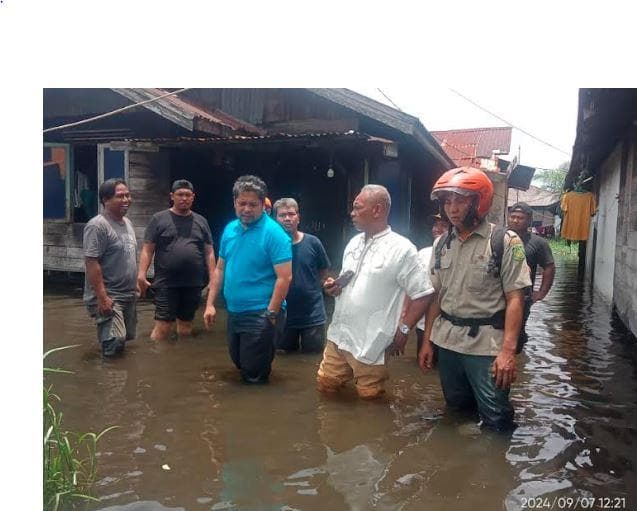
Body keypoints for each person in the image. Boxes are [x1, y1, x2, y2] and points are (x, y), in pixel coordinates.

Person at [418, 167, 531, 432]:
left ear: (478, 201)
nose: (452, 208)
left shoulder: (505, 241)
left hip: (486, 347)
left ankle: (495, 468)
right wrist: (427, 342)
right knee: (456, 407)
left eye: (460, 200)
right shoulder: (441, 244)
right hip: (448, 343)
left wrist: (507, 352)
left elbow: (516, 298)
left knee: (496, 416)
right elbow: (436, 296)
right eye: (447, 201)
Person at [318, 184, 435, 399]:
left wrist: (404, 330)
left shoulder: (402, 249)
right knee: (326, 386)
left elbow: (424, 293)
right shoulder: (353, 242)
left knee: (370, 400)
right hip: (339, 335)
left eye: (357, 207)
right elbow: (348, 282)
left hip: (372, 341)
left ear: (377, 210)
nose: (352, 213)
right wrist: (334, 288)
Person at [203, 175, 292, 384]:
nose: (246, 209)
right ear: (234, 202)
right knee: (239, 362)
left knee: (254, 374)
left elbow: (285, 277)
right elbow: (220, 268)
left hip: (261, 312)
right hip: (235, 310)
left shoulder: (274, 234)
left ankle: (259, 413)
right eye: (242, 203)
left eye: (253, 204)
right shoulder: (230, 229)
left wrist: (271, 314)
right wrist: (210, 304)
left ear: (263, 204)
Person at [137, 180, 216, 341]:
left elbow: (209, 252)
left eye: (188, 195)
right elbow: (147, 249)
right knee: (163, 325)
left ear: (193, 197)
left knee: (186, 325)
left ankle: (180, 356)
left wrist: (213, 278)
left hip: (193, 283)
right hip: (166, 283)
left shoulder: (201, 221)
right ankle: (157, 360)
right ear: (172, 196)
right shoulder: (159, 219)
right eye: (180, 195)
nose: (184, 198)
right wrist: (141, 275)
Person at [83, 178, 139, 357]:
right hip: (109, 295)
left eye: (128, 195)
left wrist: (136, 281)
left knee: (126, 339)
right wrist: (102, 297)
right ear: (105, 200)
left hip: (127, 292)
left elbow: (128, 255)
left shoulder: (127, 223)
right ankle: (108, 382)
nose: (126, 200)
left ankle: (119, 377)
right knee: (115, 341)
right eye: (120, 196)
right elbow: (92, 262)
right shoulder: (97, 225)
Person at [273, 197, 331, 353]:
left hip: (312, 315)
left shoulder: (313, 243)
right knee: (283, 357)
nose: (287, 219)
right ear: (275, 219)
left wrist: (325, 286)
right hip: (283, 315)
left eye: (291, 214)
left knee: (313, 357)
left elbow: (323, 272)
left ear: (298, 217)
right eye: (282, 215)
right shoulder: (270, 245)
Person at [507, 202, 555, 352]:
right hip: (498, 295)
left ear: (529, 221)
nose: (515, 220)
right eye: (513, 217)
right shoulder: (500, 237)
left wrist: (541, 293)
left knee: (517, 331)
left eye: (520, 218)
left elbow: (549, 267)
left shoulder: (538, 243)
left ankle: (515, 362)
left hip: (523, 297)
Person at [412, 214, 451, 357]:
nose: (438, 229)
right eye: (436, 225)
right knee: (424, 368)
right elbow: (413, 287)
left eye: (444, 226)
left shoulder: (456, 253)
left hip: (448, 325)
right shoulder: (422, 253)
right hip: (423, 323)